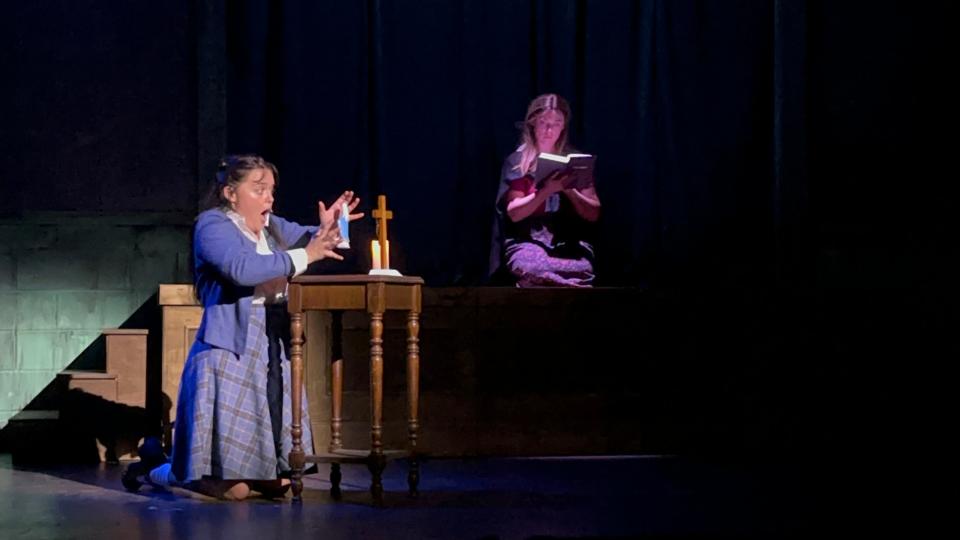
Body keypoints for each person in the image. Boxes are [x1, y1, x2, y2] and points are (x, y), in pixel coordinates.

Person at [125, 154, 362, 500]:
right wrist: (307, 254)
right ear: (230, 194)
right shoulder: (213, 226)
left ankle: (172, 464)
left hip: (271, 349)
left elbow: (319, 241)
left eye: (271, 190)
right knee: (233, 490)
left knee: (279, 484)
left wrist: (335, 226)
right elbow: (242, 268)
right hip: (229, 353)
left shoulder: (274, 228)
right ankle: (153, 469)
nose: (269, 197)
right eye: (259, 189)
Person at [490, 93, 601, 287]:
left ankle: (549, 281)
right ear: (533, 123)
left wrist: (568, 189)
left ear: (564, 126)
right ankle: (566, 283)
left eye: (556, 123)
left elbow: (593, 213)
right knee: (531, 264)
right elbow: (514, 213)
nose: (549, 129)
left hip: (567, 244)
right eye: (543, 122)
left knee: (583, 266)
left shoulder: (576, 162)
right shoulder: (518, 162)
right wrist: (546, 190)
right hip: (528, 242)